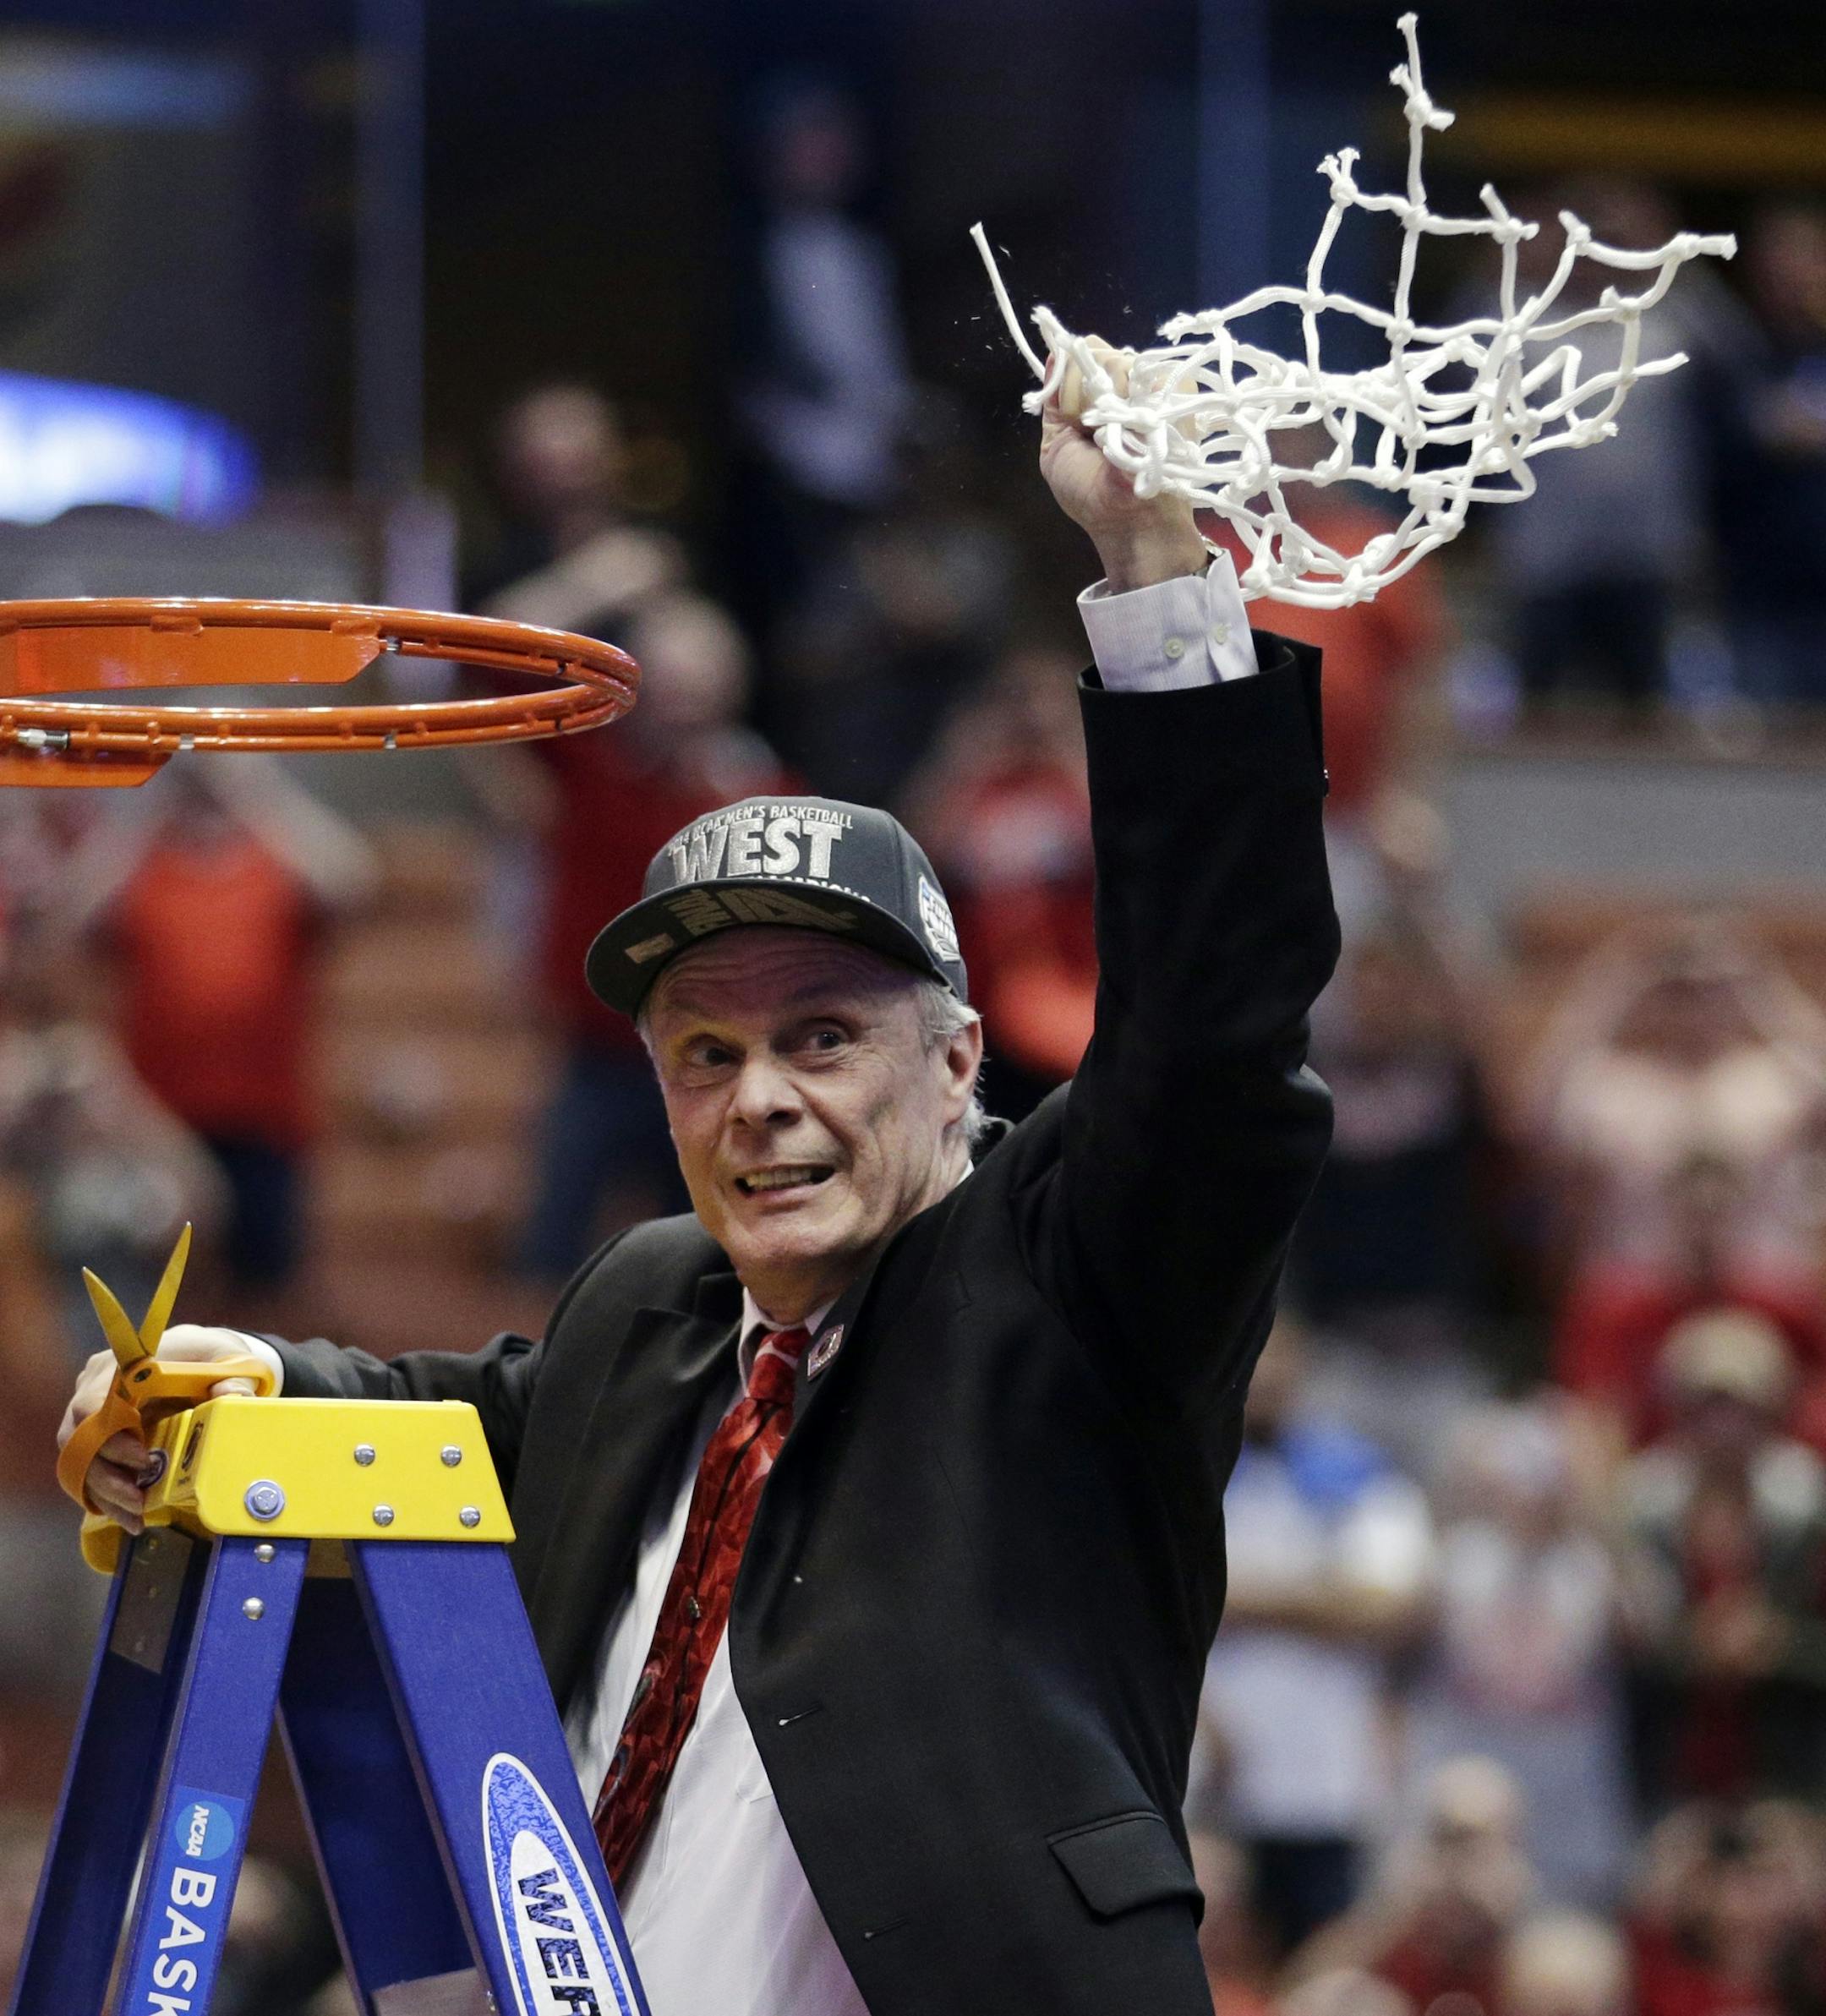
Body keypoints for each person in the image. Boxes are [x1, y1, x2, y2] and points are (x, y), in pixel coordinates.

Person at [59, 388, 1340, 2013]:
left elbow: (1217, 1035)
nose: (762, 1101)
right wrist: (227, 1392)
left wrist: (1158, 580)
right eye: (707, 1051)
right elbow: (470, 1417)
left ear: (957, 1064)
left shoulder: (1065, 1271)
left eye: (823, 1038)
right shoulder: (653, 1302)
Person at [1192, 1319, 1434, 1955]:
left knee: (1320, 1963)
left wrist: (1229, 1594)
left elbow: (1389, 1607)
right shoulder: (1185, 1466)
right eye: (1256, 1353)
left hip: (1325, 1780)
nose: (1267, 1374)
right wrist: (1318, 1594)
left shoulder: (1357, 1473)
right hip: (1212, 1772)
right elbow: (1147, 1597)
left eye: (1281, 1357)